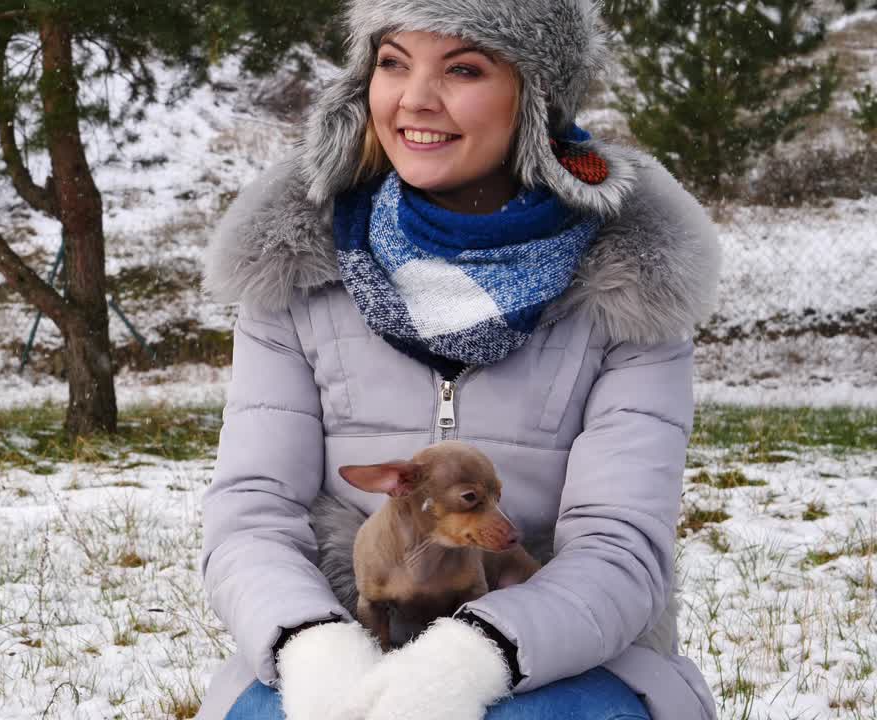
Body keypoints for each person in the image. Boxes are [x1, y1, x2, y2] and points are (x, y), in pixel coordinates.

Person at [197, 1, 721, 719]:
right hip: (342, 639)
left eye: (464, 68)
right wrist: (311, 644)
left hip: (555, 650)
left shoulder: (630, 283)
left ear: (534, 97)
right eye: (392, 62)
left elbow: (620, 545)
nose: (414, 99)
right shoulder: (295, 266)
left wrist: (477, 654)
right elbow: (255, 513)